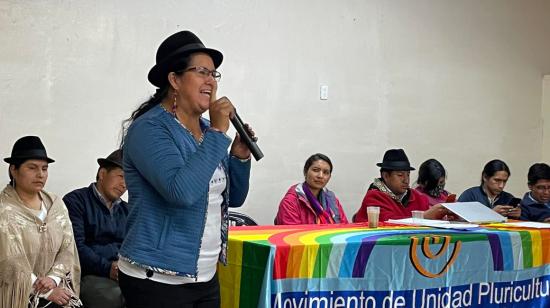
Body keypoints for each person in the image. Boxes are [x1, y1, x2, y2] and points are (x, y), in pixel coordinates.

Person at [117, 30, 253, 308]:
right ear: (174, 80)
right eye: (202, 71)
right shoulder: (149, 129)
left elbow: (231, 198)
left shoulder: (205, 132)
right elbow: (180, 192)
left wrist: (238, 158)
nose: (210, 81)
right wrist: (217, 132)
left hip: (205, 276)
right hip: (157, 279)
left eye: (214, 74)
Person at [0, 136, 81, 308]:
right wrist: (45, 291)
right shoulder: (4, 210)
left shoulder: (56, 204)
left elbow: (67, 248)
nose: (40, 174)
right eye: (32, 168)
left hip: (56, 283)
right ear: (13, 170)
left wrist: (53, 278)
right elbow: (10, 261)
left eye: (45, 169)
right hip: (18, 292)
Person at [64, 149, 127, 308]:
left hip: (123, 273)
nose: (124, 185)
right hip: (89, 274)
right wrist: (108, 268)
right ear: (102, 174)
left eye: (130, 180)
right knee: (115, 298)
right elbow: (75, 248)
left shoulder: (127, 210)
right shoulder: (76, 201)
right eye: (121, 176)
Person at [353, 149, 450, 223]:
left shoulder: (419, 198)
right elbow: (389, 225)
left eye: (408, 174)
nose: (406, 180)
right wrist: (423, 217)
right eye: (400, 175)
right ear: (386, 176)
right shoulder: (374, 197)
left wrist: (443, 216)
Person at [274, 153, 348, 225]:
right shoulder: (290, 202)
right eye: (316, 170)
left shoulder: (332, 199)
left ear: (329, 177)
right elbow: (292, 235)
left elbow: (343, 228)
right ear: (305, 172)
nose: (320, 176)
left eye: (326, 172)